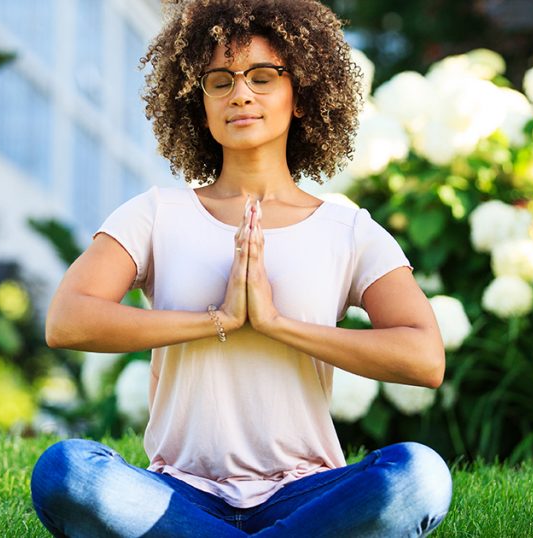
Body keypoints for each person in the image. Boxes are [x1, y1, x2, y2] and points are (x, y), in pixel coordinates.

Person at [31, 0, 452, 535]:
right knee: (66, 469)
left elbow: (424, 357)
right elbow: (67, 319)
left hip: (306, 494)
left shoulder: (348, 230)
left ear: (301, 94)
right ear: (198, 102)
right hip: (179, 494)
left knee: (420, 474)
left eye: (262, 76)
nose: (241, 94)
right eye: (220, 81)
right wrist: (220, 320)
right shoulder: (158, 213)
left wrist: (276, 324)